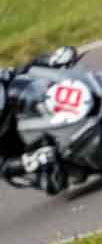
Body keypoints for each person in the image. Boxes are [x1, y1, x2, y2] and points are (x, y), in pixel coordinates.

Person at [0, 46, 80, 194]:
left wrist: (52, 60)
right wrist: (31, 161)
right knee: (52, 183)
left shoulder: (6, 81)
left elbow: (27, 67)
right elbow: (4, 167)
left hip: (34, 106)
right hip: (30, 149)